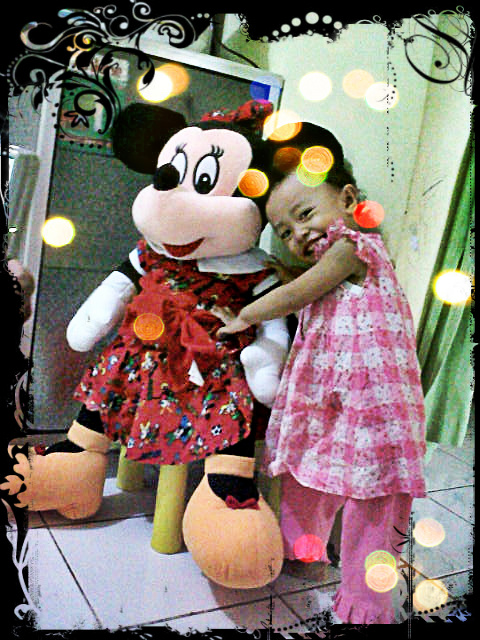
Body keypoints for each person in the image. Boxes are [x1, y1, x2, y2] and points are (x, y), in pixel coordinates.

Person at [217, 123, 426, 624]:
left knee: (374, 497)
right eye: (285, 231)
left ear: (348, 200)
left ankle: (366, 600)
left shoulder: (355, 245)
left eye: (305, 214)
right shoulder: (332, 261)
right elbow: (311, 283)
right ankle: (303, 551)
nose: (298, 234)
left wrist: (247, 315)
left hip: (376, 405)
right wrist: (277, 269)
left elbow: (303, 290)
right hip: (333, 396)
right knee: (308, 470)